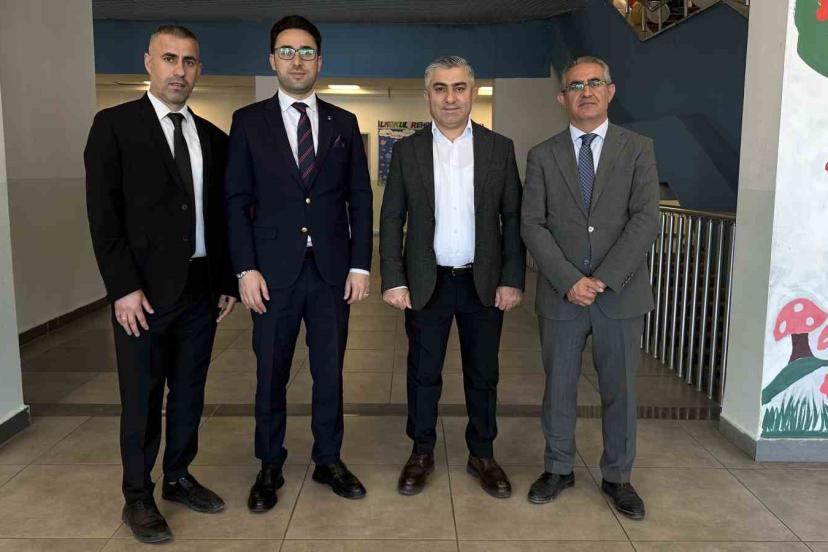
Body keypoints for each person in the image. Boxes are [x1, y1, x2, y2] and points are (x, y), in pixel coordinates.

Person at [85, 25, 238, 544]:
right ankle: (137, 495)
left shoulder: (212, 137)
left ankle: (178, 476)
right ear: (148, 62)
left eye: (189, 61)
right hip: (142, 296)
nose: (180, 70)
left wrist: (226, 279)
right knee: (142, 398)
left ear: (199, 70)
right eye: (169, 59)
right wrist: (122, 288)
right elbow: (103, 217)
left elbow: (220, 218)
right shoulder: (114, 126)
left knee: (190, 392)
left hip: (200, 289)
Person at [224, 15, 373, 511]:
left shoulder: (343, 123)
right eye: (287, 51)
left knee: (330, 373)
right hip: (271, 274)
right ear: (272, 60)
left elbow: (359, 197)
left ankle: (329, 459)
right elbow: (236, 200)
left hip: (331, 273)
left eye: (306, 51)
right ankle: (270, 465)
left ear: (320, 61)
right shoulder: (248, 121)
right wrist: (244, 269)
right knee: (271, 373)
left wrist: (360, 265)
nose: (297, 60)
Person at [521, 56, 659, 520]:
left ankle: (618, 476)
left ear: (610, 91)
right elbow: (532, 224)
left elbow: (645, 219)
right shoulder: (542, 155)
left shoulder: (637, 149)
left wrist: (601, 279)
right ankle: (558, 468)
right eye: (575, 85)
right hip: (562, 296)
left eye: (594, 82)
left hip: (620, 294)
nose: (586, 91)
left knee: (620, 389)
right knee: (558, 387)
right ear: (561, 97)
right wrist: (569, 281)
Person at [380, 56, 525, 498]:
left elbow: (513, 218)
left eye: (459, 87)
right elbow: (392, 218)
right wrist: (394, 278)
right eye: (440, 88)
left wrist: (512, 278)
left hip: (484, 284)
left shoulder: (500, 148)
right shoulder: (407, 151)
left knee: (483, 375)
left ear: (473, 93)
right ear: (428, 95)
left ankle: (482, 453)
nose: (450, 98)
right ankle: (421, 451)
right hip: (428, 284)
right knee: (423, 374)